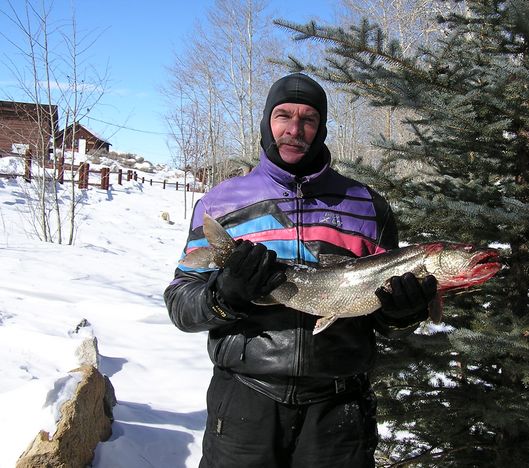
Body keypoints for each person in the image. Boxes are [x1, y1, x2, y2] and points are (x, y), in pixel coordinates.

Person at [164, 73, 437, 468]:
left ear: (322, 128)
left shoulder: (366, 206)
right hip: (244, 400)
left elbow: (382, 309)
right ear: (266, 122)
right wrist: (225, 296)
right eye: (283, 116)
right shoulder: (220, 203)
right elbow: (180, 304)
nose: (295, 129)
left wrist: (402, 313)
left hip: (338, 412)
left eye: (308, 119)